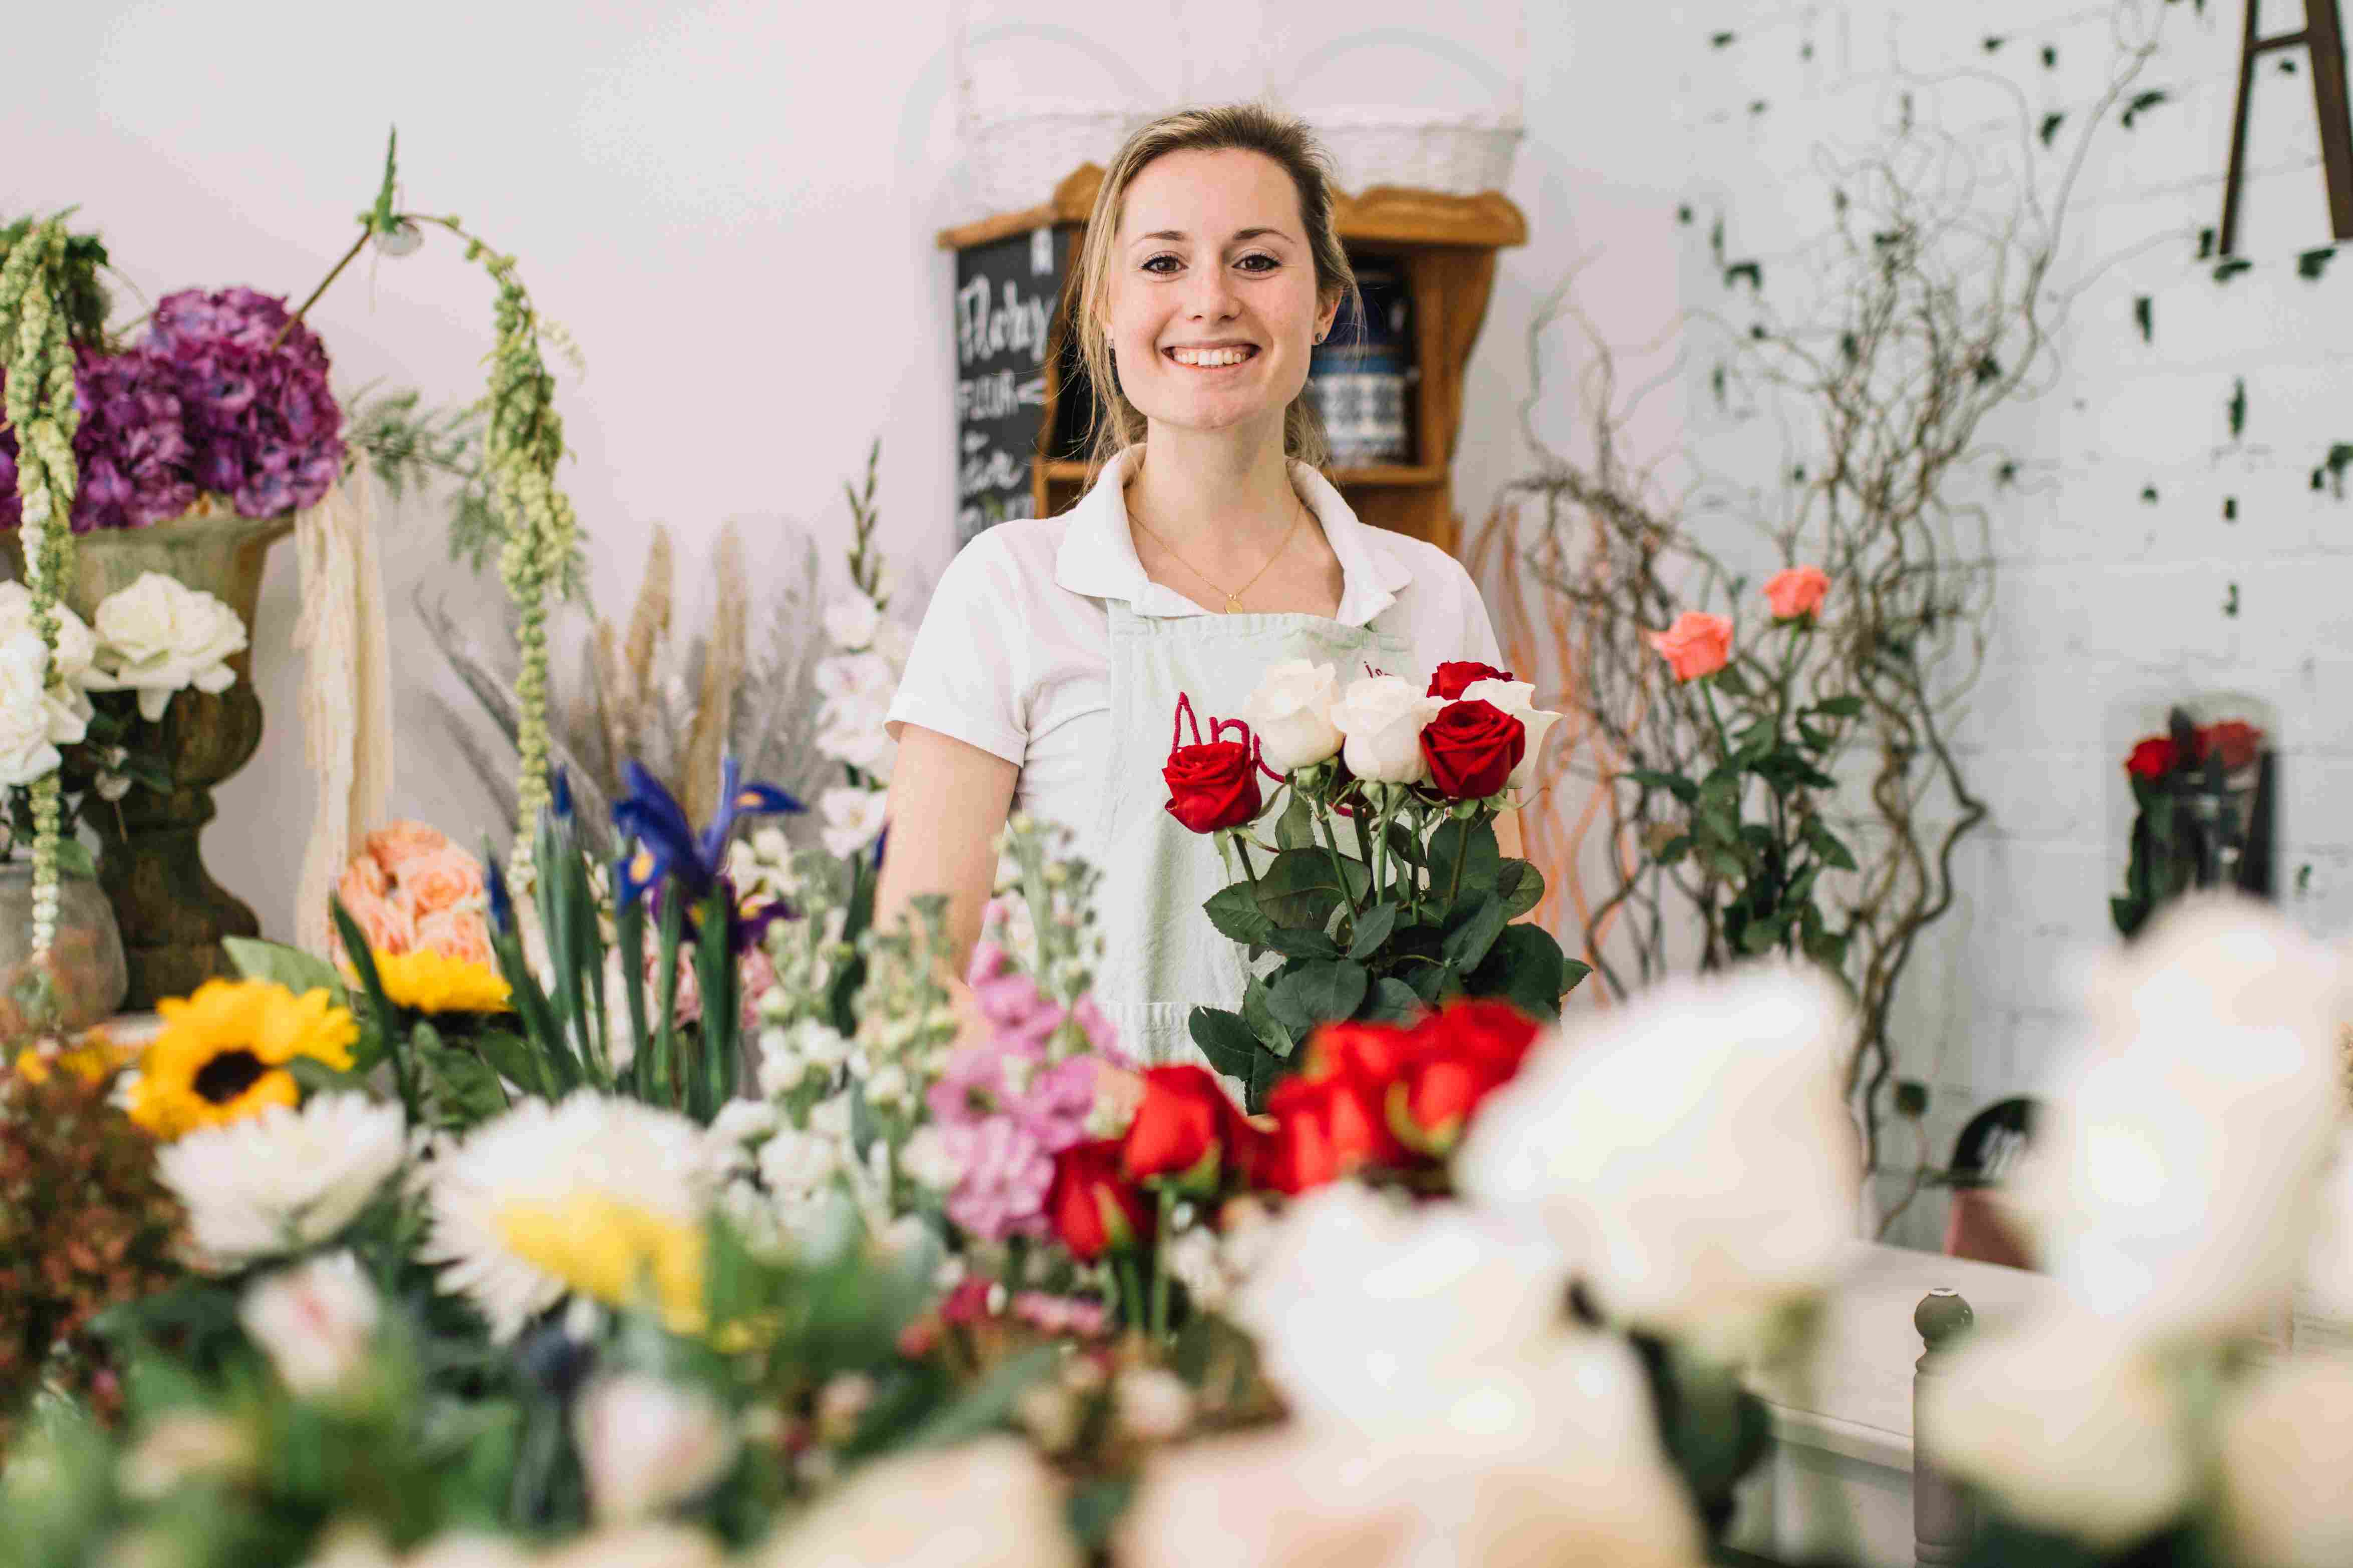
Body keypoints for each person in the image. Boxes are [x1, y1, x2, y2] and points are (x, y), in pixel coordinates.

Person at [881, 103, 1516, 1066]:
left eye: (1256, 260)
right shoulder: (1011, 587)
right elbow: (915, 977)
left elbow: (1484, 952)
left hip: (1361, 1183)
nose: (1210, 300)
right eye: (1163, 262)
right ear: (1102, 304)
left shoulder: (1425, 596)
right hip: (1104, 1179)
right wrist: (1094, 1132)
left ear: (1324, 305)